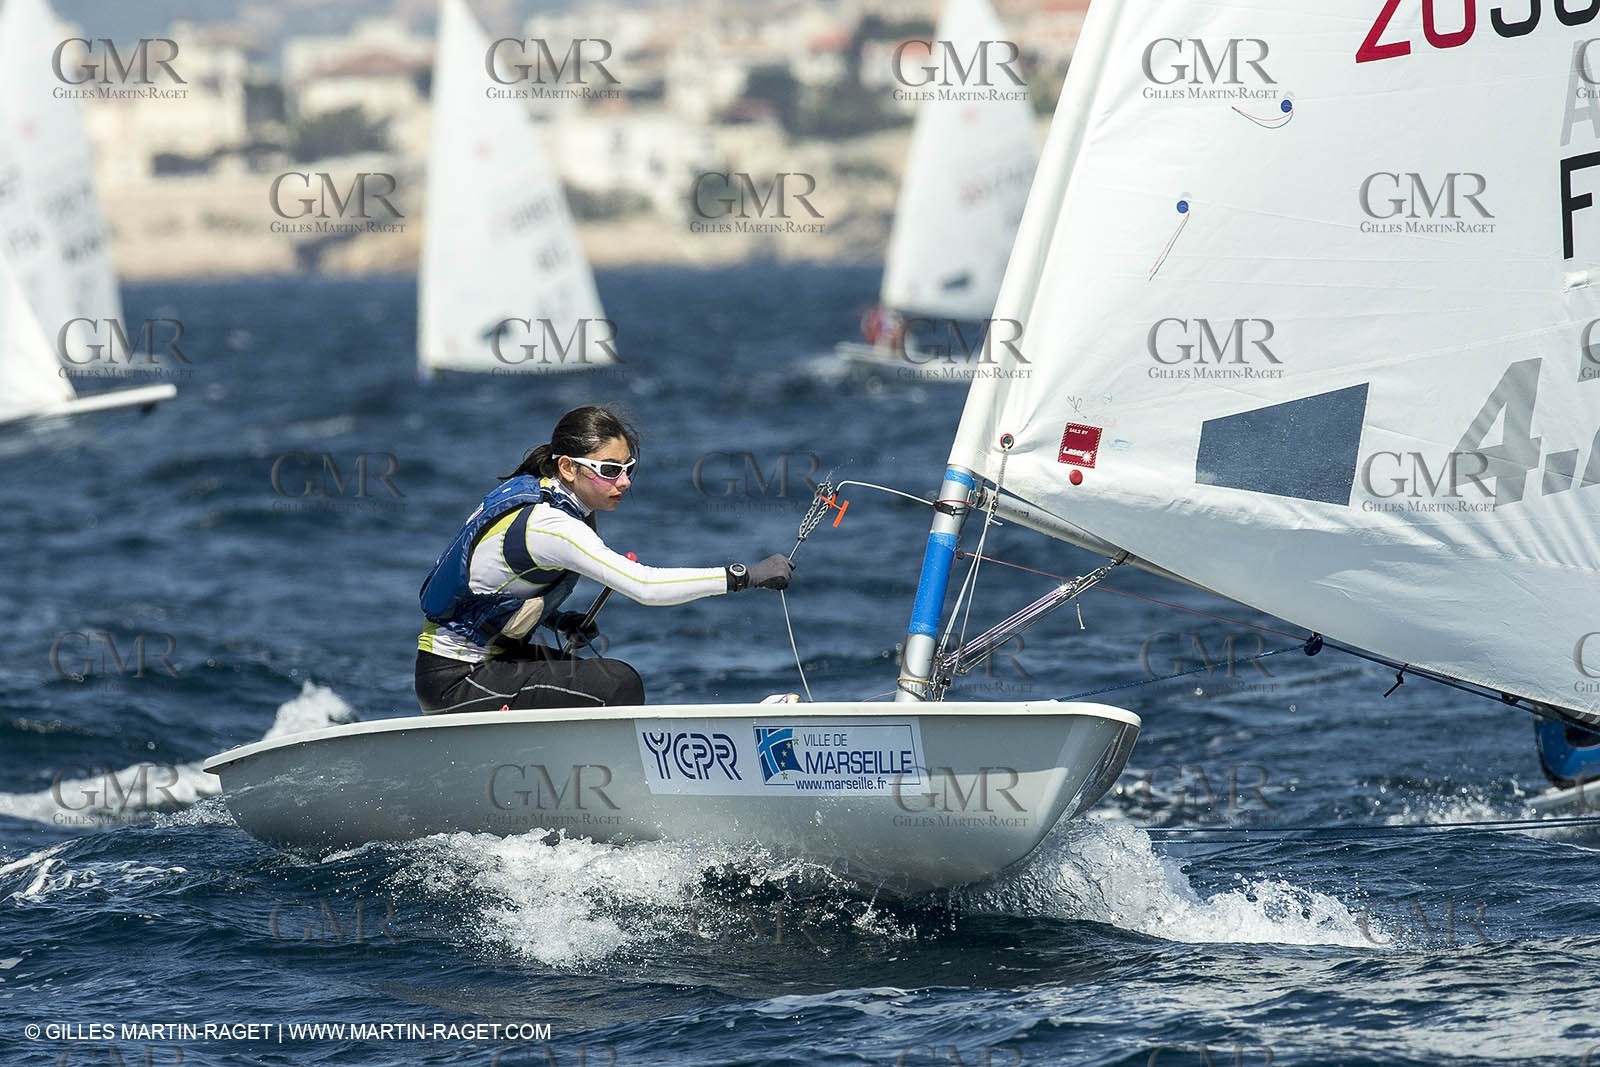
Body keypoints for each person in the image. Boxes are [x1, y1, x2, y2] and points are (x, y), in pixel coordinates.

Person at [415, 405, 794, 714]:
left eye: (629, 469)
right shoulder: (549, 525)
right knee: (617, 684)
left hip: (487, 662)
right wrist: (745, 575)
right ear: (568, 467)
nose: (625, 482)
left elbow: (493, 585)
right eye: (610, 471)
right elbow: (645, 587)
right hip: (457, 680)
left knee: (599, 682)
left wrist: (558, 619)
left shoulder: (543, 492)